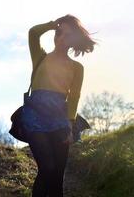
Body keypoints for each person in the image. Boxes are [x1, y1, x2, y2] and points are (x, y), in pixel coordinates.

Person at [21, 14, 97, 197]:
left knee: (56, 179)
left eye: (67, 35)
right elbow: (33, 33)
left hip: (60, 118)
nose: (61, 37)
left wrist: (69, 124)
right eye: (59, 32)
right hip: (35, 115)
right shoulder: (40, 56)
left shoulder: (77, 68)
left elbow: (74, 97)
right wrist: (51, 24)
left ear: (73, 40)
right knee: (47, 167)